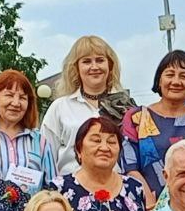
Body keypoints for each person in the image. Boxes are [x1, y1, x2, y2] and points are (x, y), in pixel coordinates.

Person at [120, 50, 185, 205]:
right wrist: (149, 200)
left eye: (184, 76)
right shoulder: (136, 117)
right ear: (159, 80)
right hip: (146, 203)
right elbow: (129, 165)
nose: (176, 81)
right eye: (170, 74)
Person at [41, 35, 134, 174]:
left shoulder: (127, 108)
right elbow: (45, 158)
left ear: (110, 65)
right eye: (86, 61)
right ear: (76, 68)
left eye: (100, 60)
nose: (94, 67)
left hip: (118, 189)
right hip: (69, 191)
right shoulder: (60, 107)